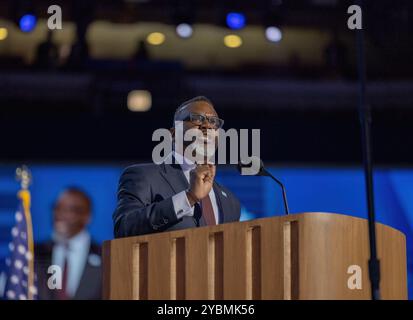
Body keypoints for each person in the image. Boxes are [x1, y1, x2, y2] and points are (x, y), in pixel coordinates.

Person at [113, 96, 241, 238]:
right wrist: (189, 197)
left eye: (213, 122)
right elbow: (124, 229)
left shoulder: (230, 201)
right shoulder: (143, 177)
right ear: (173, 134)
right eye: (197, 118)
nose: (208, 126)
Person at [35, 187, 102, 300]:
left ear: (87, 216)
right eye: (57, 208)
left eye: (70, 210)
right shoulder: (35, 253)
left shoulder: (105, 256)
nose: (60, 215)